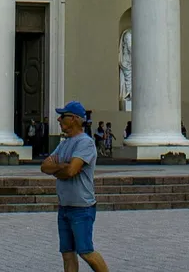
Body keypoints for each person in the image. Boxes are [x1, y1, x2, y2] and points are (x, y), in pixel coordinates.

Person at [41, 101, 108, 272]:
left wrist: (59, 168)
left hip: (81, 207)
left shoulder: (85, 143)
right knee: (67, 253)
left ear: (75, 119)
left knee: (86, 252)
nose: (58, 119)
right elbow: (44, 167)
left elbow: (71, 171)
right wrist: (62, 167)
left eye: (63, 116)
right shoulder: (64, 143)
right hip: (64, 207)